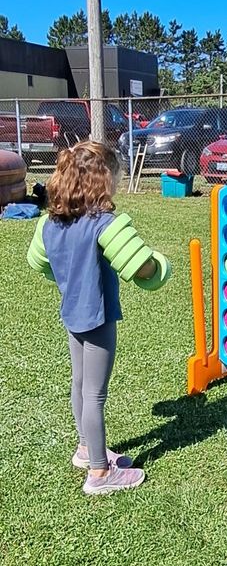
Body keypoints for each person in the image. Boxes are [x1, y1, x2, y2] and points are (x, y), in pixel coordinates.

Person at [27, 141, 170, 495]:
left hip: (72, 314)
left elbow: (38, 263)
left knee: (79, 383)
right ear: (102, 180)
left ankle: (85, 448)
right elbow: (143, 270)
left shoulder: (50, 223)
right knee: (95, 395)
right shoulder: (105, 224)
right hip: (98, 318)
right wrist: (158, 262)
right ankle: (100, 473)